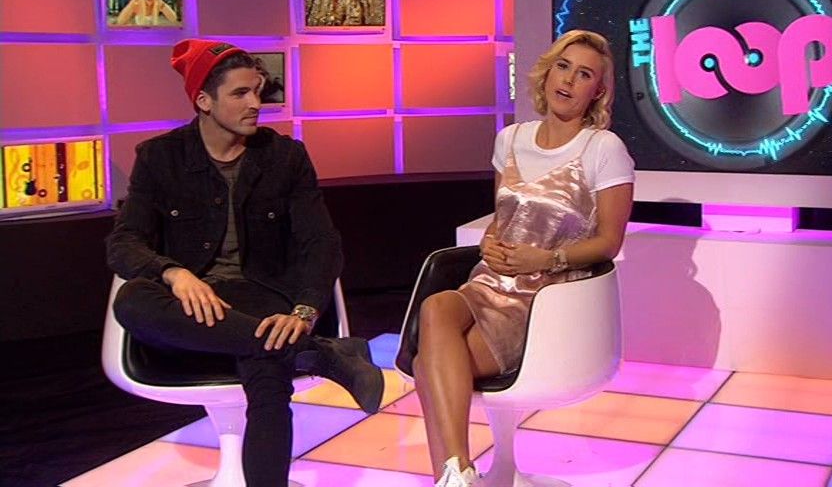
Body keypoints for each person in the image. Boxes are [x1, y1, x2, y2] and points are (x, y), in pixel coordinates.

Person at [106, 39, 384, 487]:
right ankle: (321, 354)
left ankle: (297, 347)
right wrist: (174, 273)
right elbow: (124, 242)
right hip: (193, 308)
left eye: (257, 91)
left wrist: (304, 311)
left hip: (263, 295)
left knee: (268, 370)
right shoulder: (159, 158)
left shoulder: (285, 157)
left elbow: (322, 244)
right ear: (204, 101)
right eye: (240, 93)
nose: (256, 103)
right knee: (133, 300)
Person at [412, 30, 635, 487]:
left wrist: (547, 258)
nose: (568, 80)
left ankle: (452, 475)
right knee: (436, 305)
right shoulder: (510, 139)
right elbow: (504, 219)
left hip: (543, 300)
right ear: (547, 72)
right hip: (489, 282)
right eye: (563, 66)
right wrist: (489, 242)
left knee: (425, 366)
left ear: (597, 91)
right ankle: (459, 473)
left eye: (584, 74)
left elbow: (609, 242)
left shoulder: (603, 149)